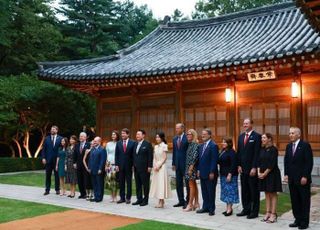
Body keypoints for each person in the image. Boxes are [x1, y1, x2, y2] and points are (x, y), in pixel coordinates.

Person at [284, 127, 313, 229]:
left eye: (292, 133)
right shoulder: (288, 146)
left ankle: (304, 222)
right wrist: (286, 174)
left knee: (304, 201)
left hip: (302, 179)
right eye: (289, 133)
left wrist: (305, 176)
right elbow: (286, 161)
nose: (290, 135)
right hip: (292, 179)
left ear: (298, 135)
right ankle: (297, 219)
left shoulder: (305, 146)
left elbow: (308, 162)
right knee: (295, 200)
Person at [236, 118, 261, 219]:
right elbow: (239, 152)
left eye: (247, 123)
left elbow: (257, 153)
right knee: (245, 190)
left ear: (251, 124)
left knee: (253, 191)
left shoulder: (257, 136)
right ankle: (246, 209)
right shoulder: (241, 137)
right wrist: (239, 165)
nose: (245, 125)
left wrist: (254, 167)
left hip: (252, 169)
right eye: (244, 123)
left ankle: (254, 212)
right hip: (243, 169)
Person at [258, 133, 282, 223]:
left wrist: (265, 173)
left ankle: (273, 214)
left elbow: (272, 163)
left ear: (269, 139)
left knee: (273, 193)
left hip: (272, 174)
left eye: (264, 138)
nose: (262, 139)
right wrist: (259, 172)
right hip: (263, 174)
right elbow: (259, 162)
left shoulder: (274, 150)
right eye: (262, 138)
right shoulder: (262, 149)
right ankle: (267, 213)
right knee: (267, 193)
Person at [196, 128, 219, 216]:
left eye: (205, 134)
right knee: (204, 191)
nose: (203, 135)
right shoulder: (201, 146)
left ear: (209, 135)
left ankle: (211, 209)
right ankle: (205, 207)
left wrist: (212, 172)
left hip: (210, 173)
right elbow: (200, 160)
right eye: (202, 134)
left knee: (211, 192)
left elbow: (214, 160)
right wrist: (198, 170)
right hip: (202, 172)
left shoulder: (213, 146)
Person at [149, 132, 171, 208]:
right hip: (156, 166)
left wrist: (159, 165)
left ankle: (161, 202)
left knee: (161, 184)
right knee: (157, 184)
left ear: (162, 138)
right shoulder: (155, 147)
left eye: (158, 137)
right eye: (156, 137)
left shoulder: (164, 146)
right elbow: (154, 157)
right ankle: (160, 201)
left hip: (162, 167)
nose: (157, 138)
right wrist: (154, 165)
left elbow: (165, 158)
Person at [218, 137, 239, 216]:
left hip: (230, 175)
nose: (223, 143)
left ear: (229, 143)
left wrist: (230, 174)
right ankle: (227, 208)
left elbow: (234, 164)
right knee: (226, 192)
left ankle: (229, 209)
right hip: (223, 174)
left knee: (230, 192)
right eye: (222, 142)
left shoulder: (232, 152)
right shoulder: (223, 151)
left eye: (225, 142)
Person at [132, 129, 153, 206]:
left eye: (139, 134)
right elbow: (134, 156)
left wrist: (150, 166)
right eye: (136, 134)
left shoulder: (147, 144)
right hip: (136, 168)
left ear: (143, 135)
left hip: (145, 168)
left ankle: (145, 200)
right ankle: (139, 199)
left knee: (145, 185)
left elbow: (150, 156)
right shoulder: (135, 144)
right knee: (138, 184)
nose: (137, 136)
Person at [115, 128, 135, 204]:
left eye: (124, 133)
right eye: (122, 133)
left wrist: (133, 165)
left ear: (128, 134)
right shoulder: (118, 143)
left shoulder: (133, 143)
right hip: (120, 166)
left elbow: (134, 155)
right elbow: (116, 155)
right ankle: (122, 198)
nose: (122, 135)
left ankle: (128, 198)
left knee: (129, 182)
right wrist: (116, 165)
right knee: (121, 182)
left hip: (129, 166)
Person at [172, 123, 189, 208]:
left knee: (187, 183)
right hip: (177, 165)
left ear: (182, 129)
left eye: (178, 128)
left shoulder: (187, 138)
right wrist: (173, 163)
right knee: (178, 184)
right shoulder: (174, 139)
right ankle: (181, 201)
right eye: (176, 128)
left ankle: (188, 201)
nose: (176, 130)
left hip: (186, 164)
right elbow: (174, 152)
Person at [41, 125, 62, 195]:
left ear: (57, 130)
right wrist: (43, 158)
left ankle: (57, 189)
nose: (52, 130)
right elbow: (43, 149)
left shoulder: (60, 138)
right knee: (48, 175)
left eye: (53, 129)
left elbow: (62, 149)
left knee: (57, 176)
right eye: (51, 129)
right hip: (48, 160)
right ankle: (47, 190)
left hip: (57, 161)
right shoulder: (46, 138)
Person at [183, 129, 200, 212]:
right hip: (188, 167)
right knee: (194, 185)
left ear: (193, 135)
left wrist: (191, 168)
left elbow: (194, 157)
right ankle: (196, 203)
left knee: (191, 185)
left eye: (190, 134)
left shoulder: (195, 144)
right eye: (187, 134)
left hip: (191, 168)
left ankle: (190, 204)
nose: (188, 136)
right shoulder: (190, 144)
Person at [88, 136, 107, 202]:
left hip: (99, 170)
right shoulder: (92, 149)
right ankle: (95, 197)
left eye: (95, 141)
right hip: (92, 169)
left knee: (99, 184)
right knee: (94, 184)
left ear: (99, 142)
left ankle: (99, 198)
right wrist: (89, 167)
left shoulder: (102, 149)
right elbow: (90, 159)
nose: (94, 142)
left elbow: (103, 160)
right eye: (94, 141)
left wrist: (100, 169)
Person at [73, 132, 91, 199]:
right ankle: (82, 194)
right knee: (79, 180)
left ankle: (87, 194)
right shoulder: (77, 145)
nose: (80, 137)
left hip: (86, 165)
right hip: (78, 165)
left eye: (82, 136)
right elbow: (74, 155)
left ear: (85, 137)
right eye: (80, 136)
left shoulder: (88, 144)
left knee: (85, 180)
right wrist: (74, 163)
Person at [105, 130, 120, 202]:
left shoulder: (119, 144)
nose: (113, 136)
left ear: (117, 136)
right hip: (109, 164)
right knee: (110, 181)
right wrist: (106, 165)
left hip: (116, 164)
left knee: (116, 181)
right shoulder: (108, 144)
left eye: (114, 134)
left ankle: (115, 196)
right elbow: (106, 154)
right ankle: (111, 195)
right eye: (112, 134)